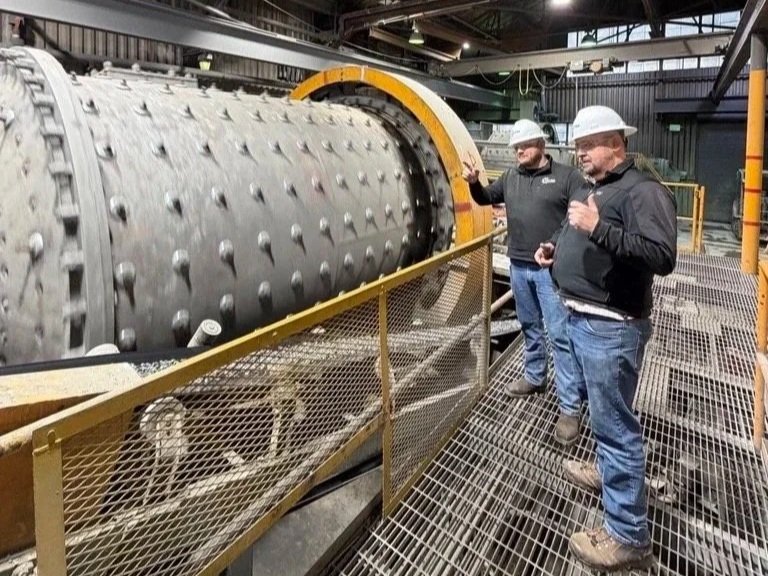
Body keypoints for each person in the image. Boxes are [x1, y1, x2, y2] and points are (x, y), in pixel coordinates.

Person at [535, 105, 677, 571]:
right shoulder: (602, 187)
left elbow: (661, 254)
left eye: (586, 147)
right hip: (586, 321)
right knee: (607, 417)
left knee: (617, 429)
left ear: (616, 144)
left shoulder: (643, 191)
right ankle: (605, 470)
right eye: (576, 148)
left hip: (611, 329)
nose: (579, 155)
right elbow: (584, 235)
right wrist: (558, 249)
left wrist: (598, 228)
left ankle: (627, 536)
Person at [463, 119, 585, 446]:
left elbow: (577, 216)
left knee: (559, 335)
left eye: (524, 146)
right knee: (529, 325)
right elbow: (486, 198)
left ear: (541, 145)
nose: (518, 151)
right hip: (519, 266)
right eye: (516, 148)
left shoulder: (566, 177)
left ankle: (570, 407)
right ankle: (534, 377)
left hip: (550, 269)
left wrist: (555, 244)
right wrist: (474, 183)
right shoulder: (511, 177)